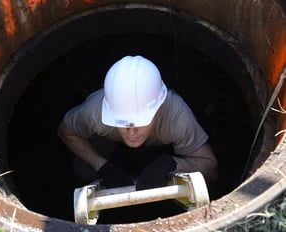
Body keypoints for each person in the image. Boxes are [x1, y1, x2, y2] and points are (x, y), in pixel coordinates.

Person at [58, 55, 218, 190]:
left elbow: (211, 169)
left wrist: (173, 164)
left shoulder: (177, 115)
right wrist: (102, 166)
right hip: (109, 141)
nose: (131, 132)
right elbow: (66, 132)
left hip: (160, 145)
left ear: (159, 109)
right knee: (84, 170)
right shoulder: (94, 111)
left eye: (140, 121)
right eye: (122, 123)